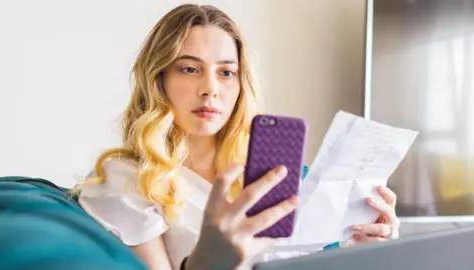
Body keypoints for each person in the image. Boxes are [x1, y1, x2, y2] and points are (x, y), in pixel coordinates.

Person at [75, 4, 400, 270]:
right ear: (158, 79)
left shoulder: (268, 174)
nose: (210, 89)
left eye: (226, 72)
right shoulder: (125, 179)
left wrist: (365, 250)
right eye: (189, 69)